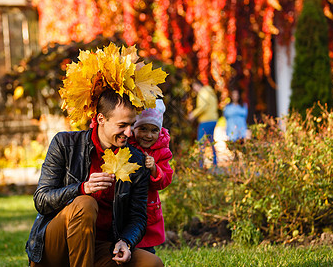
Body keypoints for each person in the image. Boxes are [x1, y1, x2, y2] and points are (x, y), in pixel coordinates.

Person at [25, 44, 166, 267]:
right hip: (56, 249)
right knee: (84, 204)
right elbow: (41, 201)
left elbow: (138, 217)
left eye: (131, 125)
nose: (129, 133)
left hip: (100, 247)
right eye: (121, 125)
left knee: (152, 263)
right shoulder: (65, 144)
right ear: (101, 119)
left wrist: (126, 242)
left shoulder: (136, 160)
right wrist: (82, 188)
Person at [128, 98, 173, 254]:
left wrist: (154, 169)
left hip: (148, 207)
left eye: (154, 130)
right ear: (134, 128)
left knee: (146, 249)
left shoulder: (161, 151)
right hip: (127, 205)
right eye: (143, 128)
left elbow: (165, 179)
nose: (148, 135)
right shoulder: (127, 145)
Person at [188, 80, 219, 167]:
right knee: (211, 141)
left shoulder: (203, 93)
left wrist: (193, 115)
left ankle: (200, 165)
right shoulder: (210, 92)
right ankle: (215, 163)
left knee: (201, 142)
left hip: (206, 121)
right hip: (213, 119)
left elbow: (203, 106)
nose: (195, 90)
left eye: (195, 87)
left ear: (198, 85)